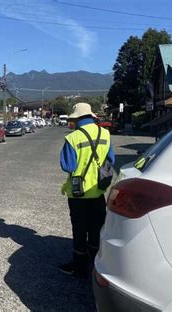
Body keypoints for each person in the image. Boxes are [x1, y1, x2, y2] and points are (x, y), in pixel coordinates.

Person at [59, 102, 115, 276]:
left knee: (79, 229)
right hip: (98, 191)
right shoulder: (105, 134)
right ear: (91, 116)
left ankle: (79, 266)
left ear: (76, 119)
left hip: (78, 193)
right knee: (96, 228)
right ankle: (96, 264)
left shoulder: (73, 138)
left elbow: (68, 166)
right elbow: (111, 160)